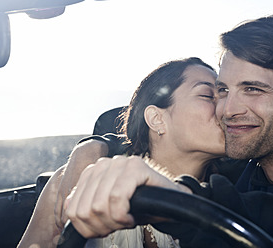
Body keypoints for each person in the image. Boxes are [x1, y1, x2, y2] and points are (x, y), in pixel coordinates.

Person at [64, 14, 273, 247]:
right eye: (222, 90)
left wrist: (181, 201)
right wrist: (93, 149)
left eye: (252, 89)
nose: (226, 110)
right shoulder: (234, 168)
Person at [17, 57, 227, 248]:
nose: (226, 108)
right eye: (208, 95)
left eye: (224, 94)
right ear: (157, 119)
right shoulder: (75, 179)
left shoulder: (237, 195)